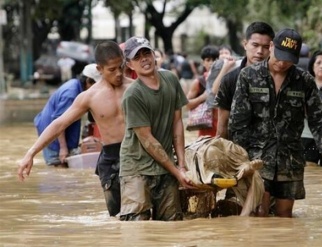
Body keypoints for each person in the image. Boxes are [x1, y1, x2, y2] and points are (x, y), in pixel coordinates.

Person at [229, 28, 322, 218]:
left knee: (284, 217)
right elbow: (238, 122)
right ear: (271, 47)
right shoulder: (248, 76)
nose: (282, 63)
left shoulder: (303, 80)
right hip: (258, 158)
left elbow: (319, 117)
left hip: (290, 159)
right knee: (259, 213)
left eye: (288, 59)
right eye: (279, 56)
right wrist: (241, 159)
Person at [18, 41, 131, 217]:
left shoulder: (136, 88)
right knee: (117, 216)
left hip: (135, 154)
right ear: (100, 69)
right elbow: (58, 124)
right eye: (112, 69)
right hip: (110, 159)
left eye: (121, 67)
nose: (118, 74)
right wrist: (31, 153)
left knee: (140, 213)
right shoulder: (88, 97)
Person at [119, 36, 194, 221]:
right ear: (129, 64)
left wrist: (182, 165)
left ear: (154, 55)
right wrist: (177, 173)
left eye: (147, 53)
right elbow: (147, 140)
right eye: (137, 57)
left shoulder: (170, 79)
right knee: (137, 226)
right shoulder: (133, 95)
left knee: (172, 223)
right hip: (136, 167)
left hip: (165, 164)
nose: (144, 59)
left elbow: (177, 123)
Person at [215, 21, 275, 139]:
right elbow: (222, 124)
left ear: (272, 47)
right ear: (245, 44)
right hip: (238, 151)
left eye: (266, 47)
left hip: (270, 151)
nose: (260, 51)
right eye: (255, 45)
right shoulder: (230, 80)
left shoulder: (278, 79)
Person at [33, 63, 101, 167]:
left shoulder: (78, 87)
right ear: (88, 82)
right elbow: (59, 121)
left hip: (55, 129)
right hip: (52, 135)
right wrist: (63, 148)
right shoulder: (71, 93)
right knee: (58, 167)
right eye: (96, 85)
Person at [186, 45, 220, 137]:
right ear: (203, 62)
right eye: (208, 60)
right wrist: (203, 97)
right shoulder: (199, 82)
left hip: (223, 127)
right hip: (206, 129)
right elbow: (186, 104)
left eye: (215, 60)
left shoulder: (226, 78)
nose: (212, 63)